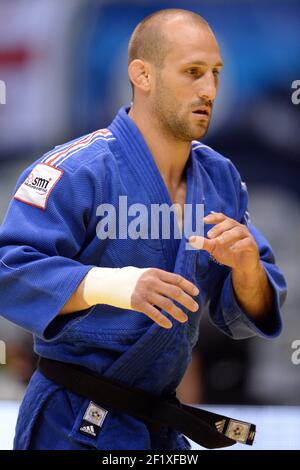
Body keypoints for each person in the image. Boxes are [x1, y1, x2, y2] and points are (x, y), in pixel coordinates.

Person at [0, 8, 287, 450]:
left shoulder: (220, 179)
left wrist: (247, 268)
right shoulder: (76, 170)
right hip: (69, 421)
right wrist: (113, 285)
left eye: (215, 73)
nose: (209, 89)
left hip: (158, 426)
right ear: (143, 75)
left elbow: (252, 309)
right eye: (192, 72)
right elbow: (9, 272)